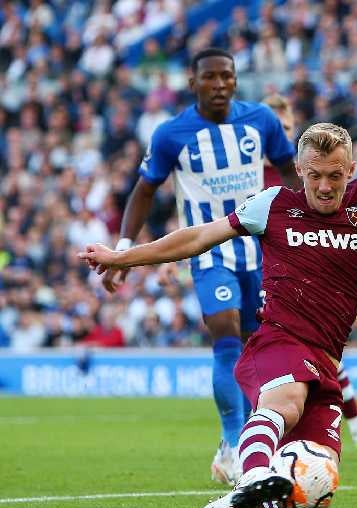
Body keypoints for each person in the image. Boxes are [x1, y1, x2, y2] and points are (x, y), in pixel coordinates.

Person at [79, 123, 357, 508]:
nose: (324, 186)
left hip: (326, 359)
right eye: (314, 175)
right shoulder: (273, 204)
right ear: (299, 170)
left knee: (315, 489)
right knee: (287, 401)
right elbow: (197, 237)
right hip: (277, 341)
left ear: (350, 170)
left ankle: (243, 500)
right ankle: (253, 476)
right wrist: (121, 256)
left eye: (335, 176)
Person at [101, 48, 303, 485]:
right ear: (193, 83)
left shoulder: (262, 121)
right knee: (225, 332)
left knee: (259, 344)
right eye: (209, 77)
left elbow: (289, 170)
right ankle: (233, 442)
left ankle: (253, 437)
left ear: (235, 80)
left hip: (260, 249)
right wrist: (122, 250)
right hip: (208, 249)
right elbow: (144, 190)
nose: (218, 84)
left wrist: (306, 228)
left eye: (226, 76)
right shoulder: (172, 133)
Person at [261, 93, 357, 455]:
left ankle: (354, 423)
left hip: (302, 279)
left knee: (314, 354)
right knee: (273, 362)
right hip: (257, 274)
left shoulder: (307, 172)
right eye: (274, 129)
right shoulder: (255, 178)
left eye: (286, 128)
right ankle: (244, 444)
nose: (281, 135)